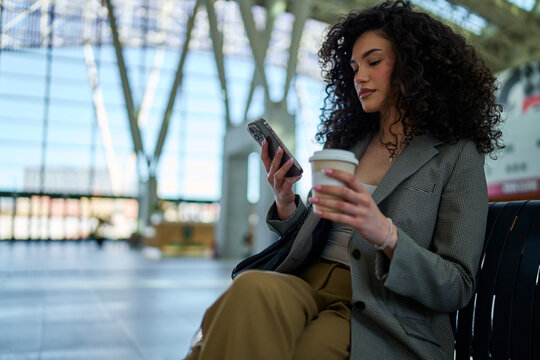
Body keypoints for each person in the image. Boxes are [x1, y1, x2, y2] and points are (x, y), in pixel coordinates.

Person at [185, 1, 503, 359]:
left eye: (374, 61)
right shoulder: (348, 142)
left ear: (415, 66)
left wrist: (386, 234)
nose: (360, 77)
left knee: (305, 350)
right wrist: (288, 203)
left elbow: (456, 284)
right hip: (305, 283)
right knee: (250, 289)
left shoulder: (455, 154)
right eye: (354, 67)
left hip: (379, 308)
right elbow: (317, 236)